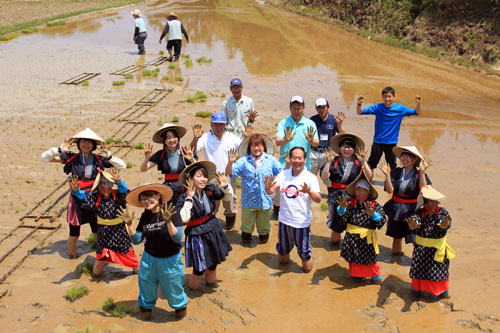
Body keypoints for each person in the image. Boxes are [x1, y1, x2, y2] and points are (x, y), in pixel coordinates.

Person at [41, 128, 126, 259]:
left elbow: (122, 166)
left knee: (97, 230)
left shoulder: (99, 159)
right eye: (83, 142)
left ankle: (101, 257)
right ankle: (72, 258)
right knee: (74, 233)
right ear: (78, 144)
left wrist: (108, 155)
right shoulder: (71, 157)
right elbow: (45, 158)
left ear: (93, 145)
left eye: (89, 143)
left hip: (95, 197)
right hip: (76, 197)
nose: (85, 145)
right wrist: (59, 150)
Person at [121, 184, 188, 320]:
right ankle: (146, 313)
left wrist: (168, 221)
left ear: (158, 196)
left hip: (170, 260)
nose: (147, 201)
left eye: (150, 197)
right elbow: (137, 240)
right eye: (143, 199)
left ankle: (180, 313)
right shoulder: (145, 216)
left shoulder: (171, 211)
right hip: (149, 260)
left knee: (174, 290)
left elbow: (177, 238)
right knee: (146, 288)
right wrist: (129, 225)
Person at [68, 168, 139, 276]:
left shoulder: (117, 195)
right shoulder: (96, 196)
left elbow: (126, 195)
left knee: (134, 264)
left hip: (119, 233)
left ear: (110, 184)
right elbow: (85, 199)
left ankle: (139, 277)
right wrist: (76, 191)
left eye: (105, 183)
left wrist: (119, 182)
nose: (102, 185)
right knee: (97, 269)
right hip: (104, 234)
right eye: (100, 183)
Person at [177, 161, 233, 289]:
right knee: (199, 269)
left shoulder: (210, 190)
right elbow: (183, 218)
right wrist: (190, 198)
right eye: (198, 176)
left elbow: (228, 197)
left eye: (205, 176)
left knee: (213, 264)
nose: (203, 179)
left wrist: (224, 186)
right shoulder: (183, 197)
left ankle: (210, 287)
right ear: (190, 179)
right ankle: (192, 291)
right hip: (196, 235)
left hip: (213, 230)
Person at [264, 147, 321, 273]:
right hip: (284, 221)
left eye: (300, 158)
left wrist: (309, 191)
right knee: (282, 254)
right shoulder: (283, 174)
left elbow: (318, 199)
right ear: (289, 159)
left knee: (305, 258)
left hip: (301, 223)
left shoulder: (310, 177)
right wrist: (267, 188)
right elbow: (271, 191)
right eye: (294, 157)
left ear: (304, 160)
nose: (297, 161)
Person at [190, 112, 252, 230]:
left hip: (228, 174)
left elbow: (244, 149)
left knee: (230, 200)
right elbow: (193, 150)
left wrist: (247, 137)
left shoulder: (231, 137)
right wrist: (195, 138)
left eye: (221, 124)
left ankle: (230, 221)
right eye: (216, 124)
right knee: (211, 200)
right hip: (211, 175)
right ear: (211, 124)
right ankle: (210, 221)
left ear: (225, 125)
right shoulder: (205, 137)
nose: (218, 127)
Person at [225, 133, 282, 244]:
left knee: (264, 234)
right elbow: (229, 173)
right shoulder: (243, 161)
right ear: (249, 147)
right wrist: (230, 162)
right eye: (253, 145)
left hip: (265, 202)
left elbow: (281, 174)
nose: (256, 148)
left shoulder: (271, 160)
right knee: (246, 234)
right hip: (248, 202)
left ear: (264, 146)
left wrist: (274, 186)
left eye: (259, 145)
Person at [379, 146, 432, 256]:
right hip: (396, 208)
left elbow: (424, 190)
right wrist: (387, 176)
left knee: (414, 239)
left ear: (414, 159)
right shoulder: (396, 172)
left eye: (408, 156)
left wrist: (422, 172)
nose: (404, 158)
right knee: (396, 238)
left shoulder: (419, 174)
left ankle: (418, 262)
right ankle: (395, 259)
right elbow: (390, 191)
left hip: (412, 210)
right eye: (403, 155)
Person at [320, 133, 371, 245]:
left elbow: (369, 176)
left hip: (353, 196)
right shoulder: (333, 160)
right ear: (340, 147)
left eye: (349, 147)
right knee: (336, 226)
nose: (346, 149)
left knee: (353, 224)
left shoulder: (358, 161)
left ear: (354, 149)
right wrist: (328, 162)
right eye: (344, 146)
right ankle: (333, 247)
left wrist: (364, 162)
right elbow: (324, 177)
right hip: (336, 196)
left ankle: (351, 247)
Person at [337, 171, 386, 284]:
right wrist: (341, 210)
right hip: (352, 239)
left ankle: (375, 279)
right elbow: (341, 219)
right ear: (355, 191)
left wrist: (373, 214)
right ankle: (357, 276)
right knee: (354, 261)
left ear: (368, 192)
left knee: (370, 262)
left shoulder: (374, 205)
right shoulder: (349, 203)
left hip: (366, 241)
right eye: (359, 189)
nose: (361, 192)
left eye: (364, 190)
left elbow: (382, 220)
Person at [406, 185, 455, 298]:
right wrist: (414, 226)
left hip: (436, 249)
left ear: (435, 201)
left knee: (438, 272)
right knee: (419, 271)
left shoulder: (442, 212)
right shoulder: (419, 213)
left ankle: (443, 293)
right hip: (421, 250)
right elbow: (415, 222)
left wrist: (443, 225)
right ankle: (416, 291)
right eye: (426, 201)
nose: (428, 203)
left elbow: (444, 223)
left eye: (430, 201)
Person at [357, 87, 422, 170]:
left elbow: (417, 112)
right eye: (385, 96)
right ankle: (368, 180)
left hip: (391, 142)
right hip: (378, 141)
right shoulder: (378, 107)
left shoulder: (400, 109)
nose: (387, 99)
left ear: (393, 97)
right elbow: (359, 112)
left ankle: (391, 181)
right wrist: (359, 104)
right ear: (382, 97)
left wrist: (419, 104)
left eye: (389, 96)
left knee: (392, 165)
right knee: (371, 164)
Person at [275, 96, 319, 217]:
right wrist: (286, 139)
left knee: (301, 191)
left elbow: (316, 143)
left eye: (298, 108)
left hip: (303, 164)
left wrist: (311, 140)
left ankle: (300, 213)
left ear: (303, 108)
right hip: (285, 163)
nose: (296, 111)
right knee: (281, 191)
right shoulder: (283, 123)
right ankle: (278, 213)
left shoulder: (310, 123)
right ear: (290, 108)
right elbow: (278, 142)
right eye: (293, 108)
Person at [140, 123, 196, 203]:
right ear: (164, 140)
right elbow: (143, 169)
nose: (172, 140)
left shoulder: (186, 151)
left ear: (178, 138)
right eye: (168, 138)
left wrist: (192, 159)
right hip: (168, 188)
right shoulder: (160, 154)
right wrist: (147, 158)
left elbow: (198, 168)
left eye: (174, 137)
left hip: (184, 187)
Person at [309, 97, 346, 190]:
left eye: (324, 107)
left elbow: (343, 135)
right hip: (313, 152)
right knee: (310, 176)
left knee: (328, 178)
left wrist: (340, 124)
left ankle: (332, 195)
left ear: (328, 107)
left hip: (328, 154)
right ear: (316, 109)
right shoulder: (312, 120)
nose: (322, 110)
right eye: (319, 107)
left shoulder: (334, 120)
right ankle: (309, 195)